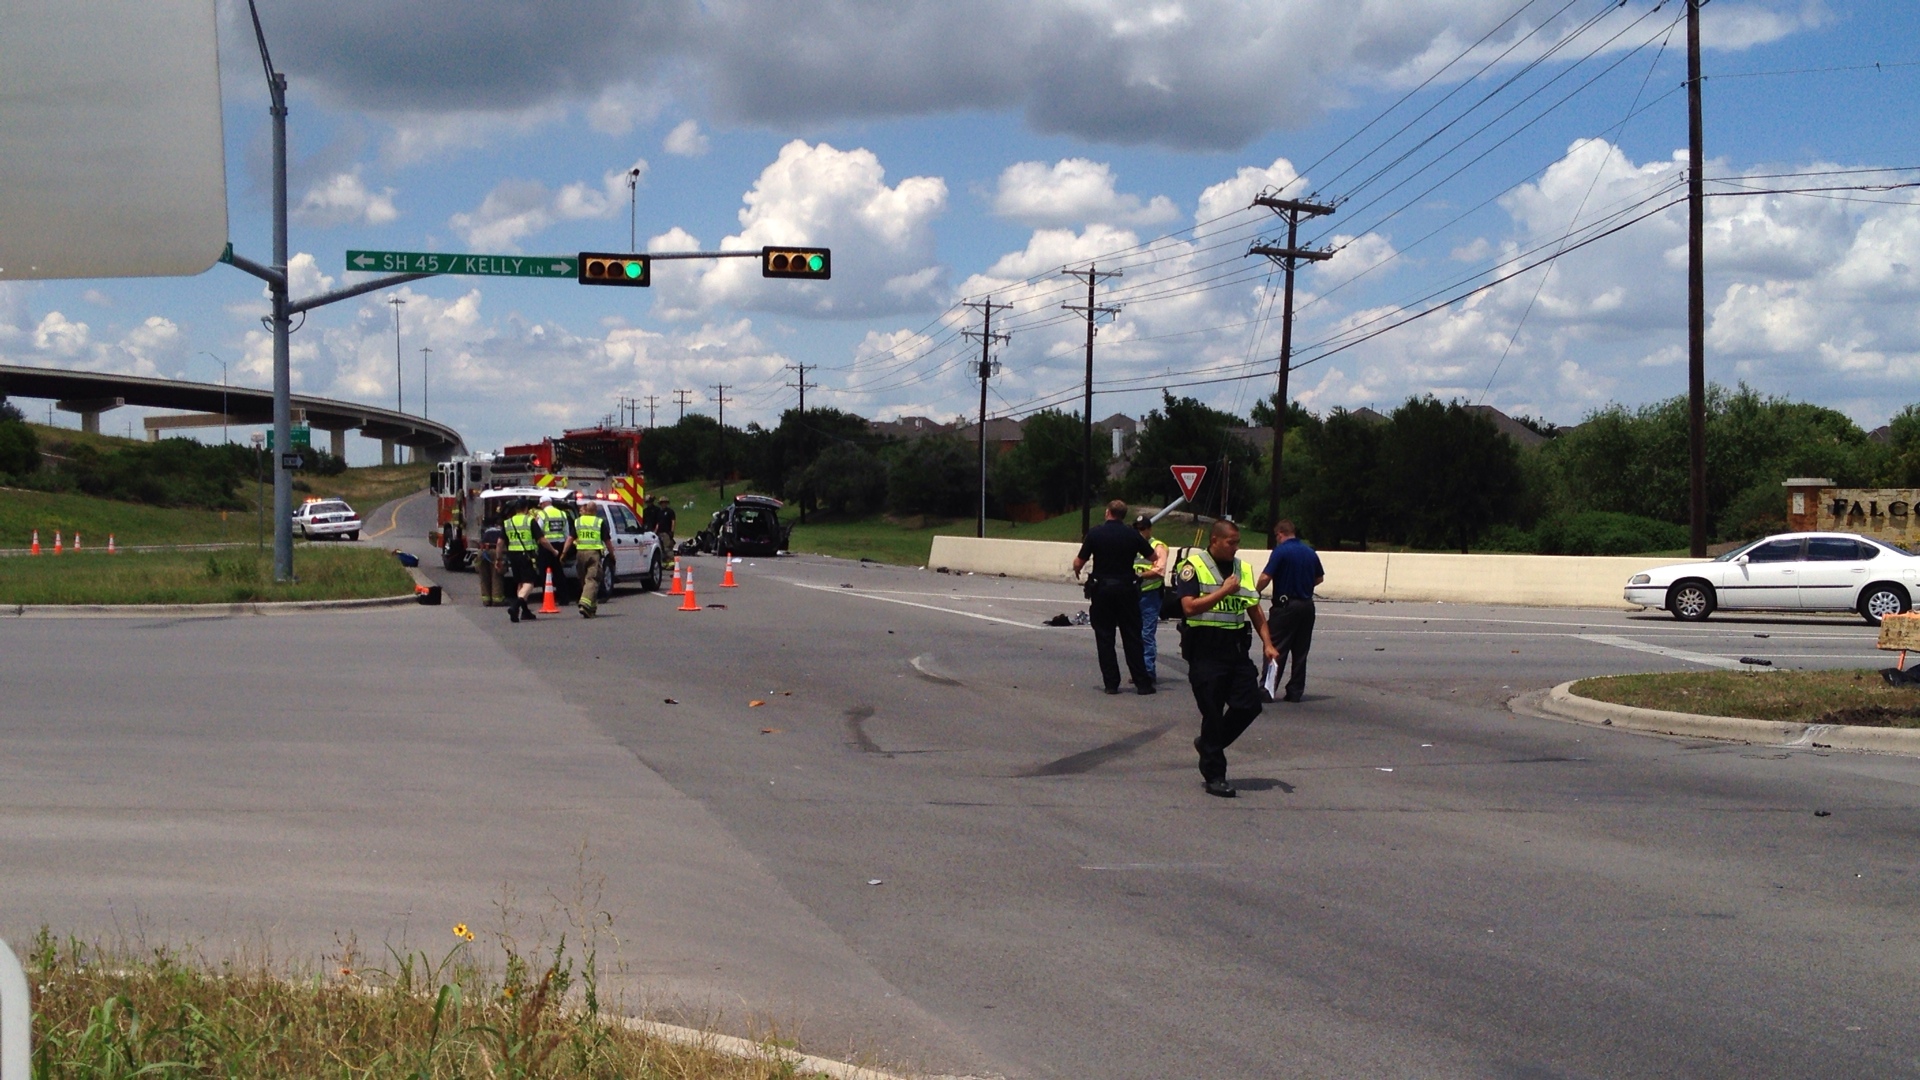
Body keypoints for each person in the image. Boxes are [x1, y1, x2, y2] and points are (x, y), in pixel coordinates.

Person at [1175, 519, 1279, 798]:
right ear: (1215, 541)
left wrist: (1268, 643)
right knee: (1212, 712)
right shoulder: (1192, 566)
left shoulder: (1242, 569)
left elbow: (1254, 609)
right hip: (1205, 650)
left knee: (1250, 705)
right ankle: (1215, 776)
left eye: (1237, 543)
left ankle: (1209, 744)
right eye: (1231, 542)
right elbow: (1189, 608)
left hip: (1234, 649)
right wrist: (1223, 590)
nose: (1235, 547)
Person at [1072, 499, 1157, 695]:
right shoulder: (1132, 534)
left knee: (1105, 637)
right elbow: (1153, 557)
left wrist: (1077, 570)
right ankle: (1142, 683)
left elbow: (1079, 561)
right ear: (1123, 515)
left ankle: (1111, 683)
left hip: (1102, 590)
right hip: (1127, 590)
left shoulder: (1095, 533)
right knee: (1132, 636)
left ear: (1107, 512)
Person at [1256, 519, 1324, 703]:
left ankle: (1268, 689)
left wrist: (1256, 591)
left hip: (1285, 606)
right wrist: (1304, 584)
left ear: (1280, 534)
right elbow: (1319, 578)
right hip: (1307, 605)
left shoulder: (1281, 551)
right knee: (1301, 651)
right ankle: (1295, 691)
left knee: (1276, 647)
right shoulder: (1310, 552)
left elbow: (1266, 576)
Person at [1133, 513, 1170, 685]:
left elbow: (1159, 570)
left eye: (1142, 529)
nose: (1140, 532)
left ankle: (1148, 671)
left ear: (1149, 529)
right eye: (1137, 529)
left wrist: (1139, 576)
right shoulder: (1133, 544)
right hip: (1133, 594)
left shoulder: (1157, 546)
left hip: (1150, 594)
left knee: (1146, 634)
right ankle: (1138, 671)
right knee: (1134, 634)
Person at [502, 499, 544, 623]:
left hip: (513, 555)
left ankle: (524, 612)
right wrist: (553, 550)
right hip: (526, 555)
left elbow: (500, 542)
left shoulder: (508, 522)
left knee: (520, 583)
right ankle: (515, 606)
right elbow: (541, 539)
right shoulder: (530, 521)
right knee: (529, 583)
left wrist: (499, 558)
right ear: (526, 509)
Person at [535, 494, 574, 601]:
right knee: (558, 572)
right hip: (560, 545)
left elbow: (538, 531)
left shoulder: (542, 514)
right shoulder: (562, 513)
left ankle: (547, 597)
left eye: (541, 505)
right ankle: (564, 598)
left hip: (546, 546)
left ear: (543, 503)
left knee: (544, 572)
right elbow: (566, 532)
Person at [574, 500, 607, 617]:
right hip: (593, 553)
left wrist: (563, 553)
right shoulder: (599, 522)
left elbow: (570, 538)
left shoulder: (578, 521)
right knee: (592, 580)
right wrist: (612, 554)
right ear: (595, 511)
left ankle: (591, 608)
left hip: (580, 553)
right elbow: (607, 540)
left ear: (586, 510)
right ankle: (585, 603)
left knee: (585, 580)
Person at [476, 512, 506, 607]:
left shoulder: (488, 530)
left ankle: (486, 600)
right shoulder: (502, 531)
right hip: (494, 552)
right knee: (496, 576)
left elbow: (481, 542)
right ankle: (497, 600)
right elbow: (501, 544)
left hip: (482, 553)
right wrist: (500, 558)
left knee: (484, 577)